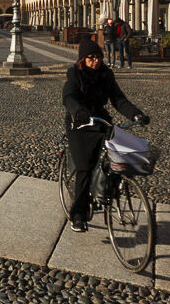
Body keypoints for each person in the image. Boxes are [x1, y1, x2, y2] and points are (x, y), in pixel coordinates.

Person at [62, 38, 149, 232]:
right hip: (79, 122)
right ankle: (78, 214)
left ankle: (107, 190)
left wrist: (136, 114)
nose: (95, 61)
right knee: (84, 166)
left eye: (98, 57)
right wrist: (78, 111)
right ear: (82, 59)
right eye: (91, 58)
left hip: (101, 119)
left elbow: (118, 99)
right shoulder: (75, 73)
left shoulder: (106, 74)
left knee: (117, 156)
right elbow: (68, 96)